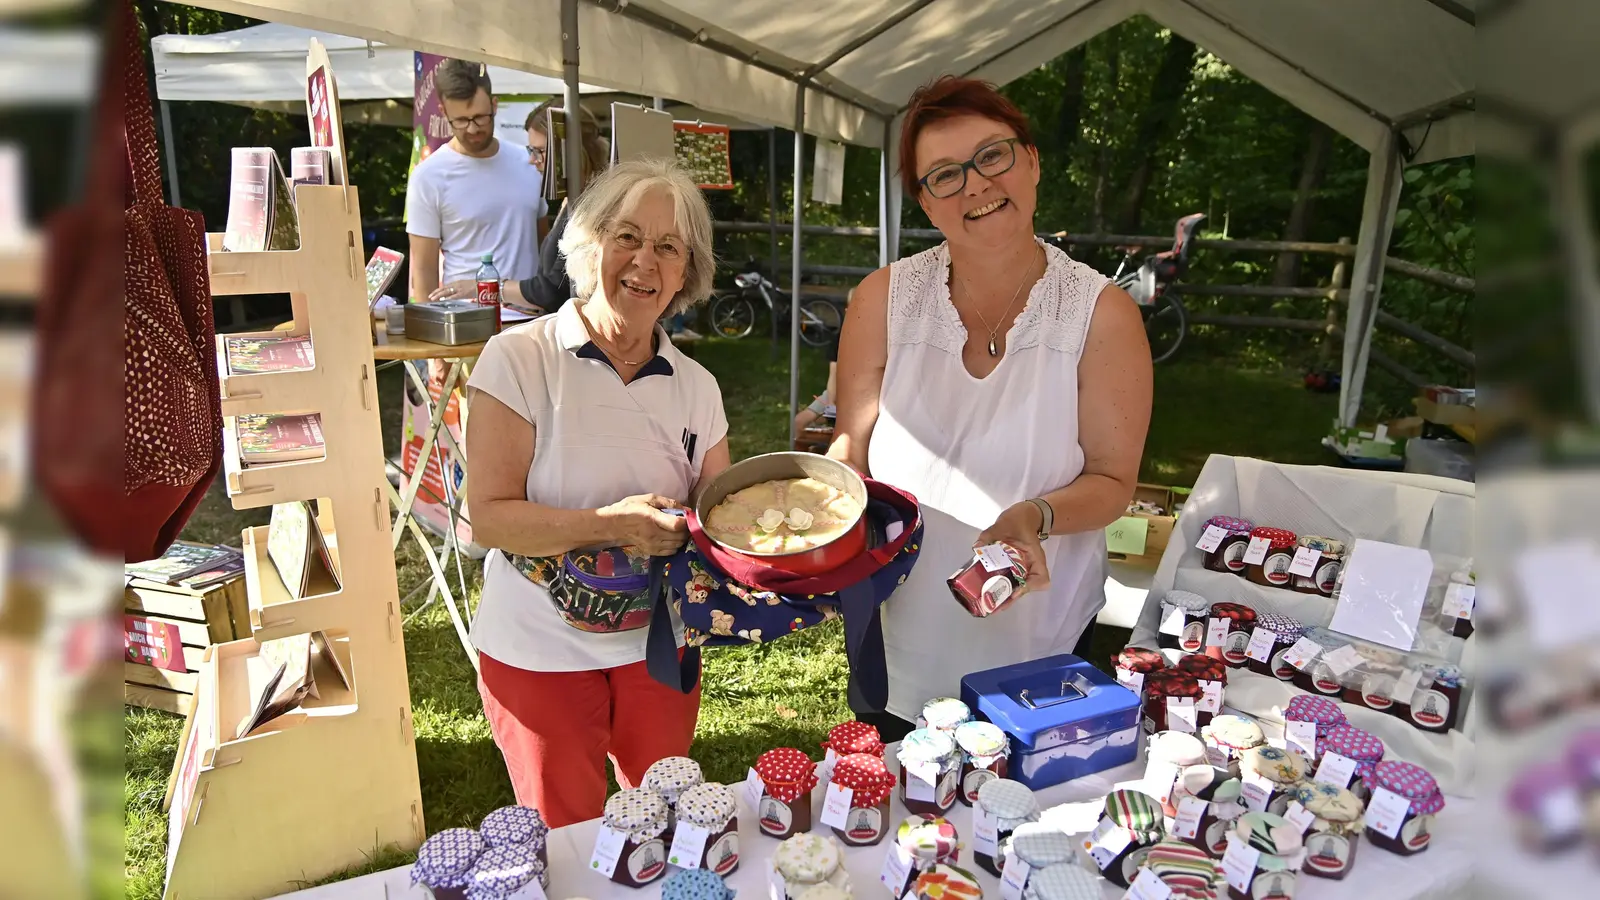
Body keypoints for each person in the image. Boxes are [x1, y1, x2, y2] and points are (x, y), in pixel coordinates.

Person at [828, 76, 1153, 741]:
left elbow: (1115, 481)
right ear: (923, 201)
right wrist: (823, 510)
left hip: (1038, 631)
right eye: (945, 175)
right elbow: (850, 447)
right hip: (893, 625)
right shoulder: (882, 299)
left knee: (1026, 822)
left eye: (992, 156)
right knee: (900, 816)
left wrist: (1036, 514)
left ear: (1031, 161)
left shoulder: (1102, 313)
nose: (975, 184)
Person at [464, 158, 730, 828]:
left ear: (685, 271)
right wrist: (611, 525)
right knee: (568, 836)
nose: (645, 261)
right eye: (627, 236)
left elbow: (720, 514)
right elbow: (490, 520)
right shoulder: (519, 359)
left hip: (661, 647)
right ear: (589, 244)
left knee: (662, 821)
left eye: (668, 247)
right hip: (537, 652)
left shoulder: (696, 385)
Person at [433, 100, 607, 313]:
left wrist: (490, 288)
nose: (533, 160)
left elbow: (553, 290)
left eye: (541, 151)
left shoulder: (594, 203)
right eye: (531, 150)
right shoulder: (575, 199)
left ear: (569, 150)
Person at [407, 59, 546, 305]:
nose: (472, 129)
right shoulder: (428, 175)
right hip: (464, 324)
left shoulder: (529, 162)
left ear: (495, 105)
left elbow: (544, 246)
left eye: (480, 118)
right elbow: (423, 270)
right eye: (460, 120)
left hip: (531, 318)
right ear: (443, 111)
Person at [794, 327, 841, 435]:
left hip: (860, 397)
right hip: (837, 391)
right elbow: (834, 374)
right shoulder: (839, 338)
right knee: (799, 422)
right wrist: (831, 405)